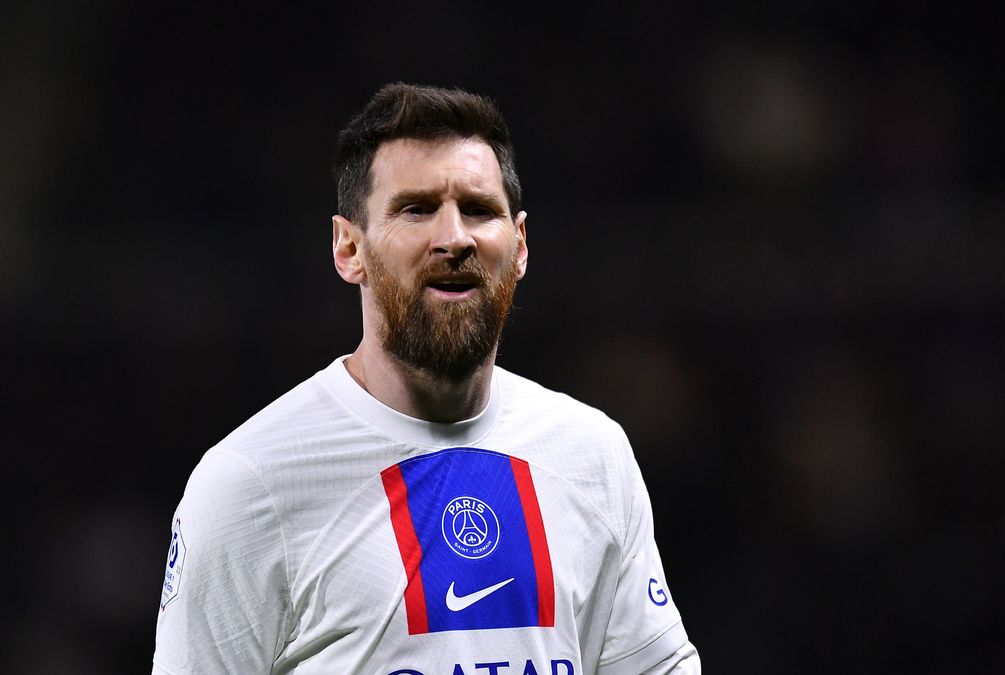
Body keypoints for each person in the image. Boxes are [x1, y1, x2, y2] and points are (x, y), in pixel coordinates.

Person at [152, 82, 701, 675]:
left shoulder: (591, 453)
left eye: (478, 209)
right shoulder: (251, 483)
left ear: (518, 245)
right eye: (415, 209)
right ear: (348, 247)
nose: (454, 238)